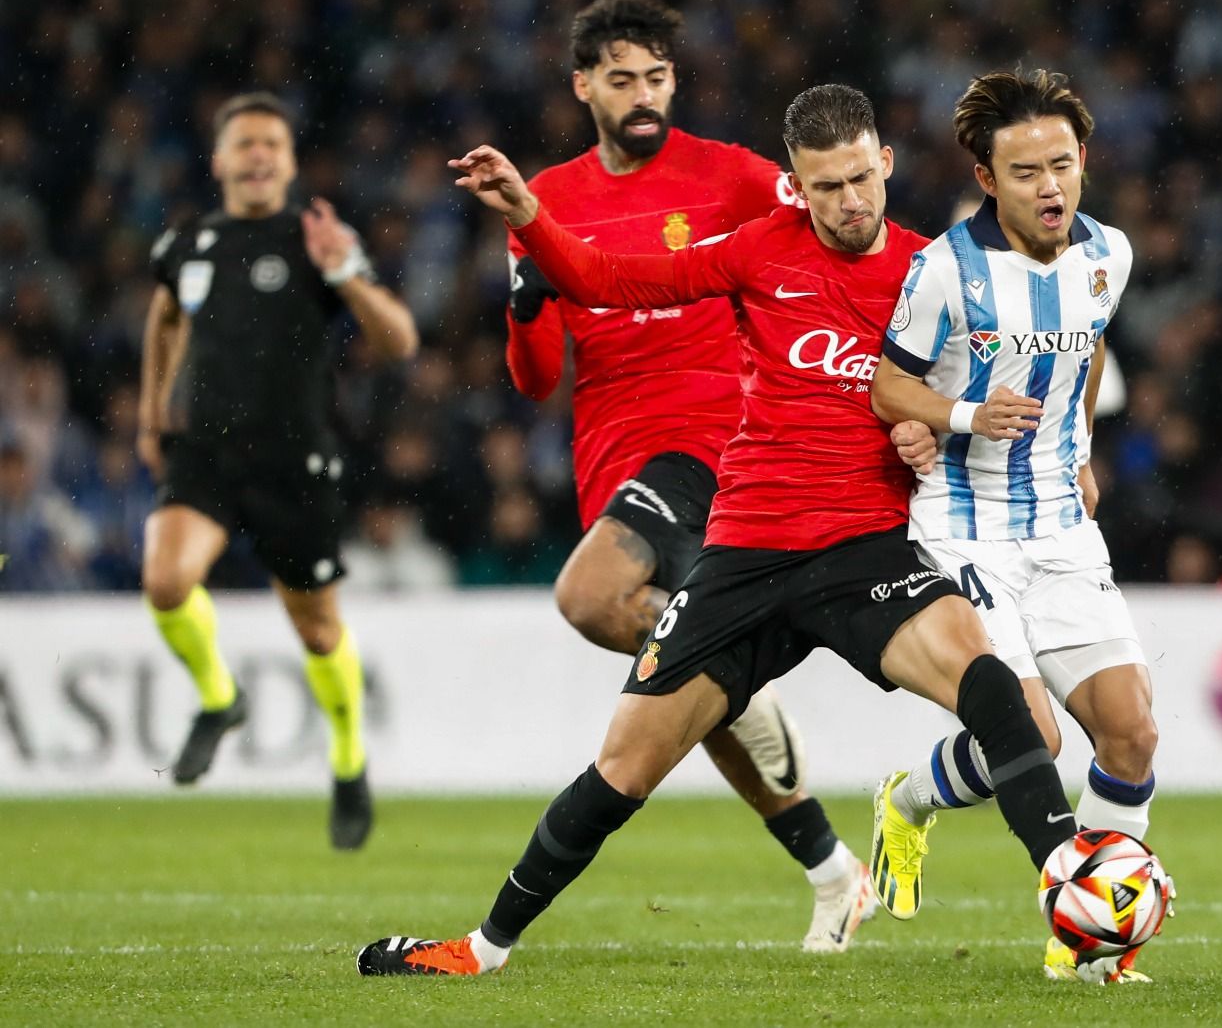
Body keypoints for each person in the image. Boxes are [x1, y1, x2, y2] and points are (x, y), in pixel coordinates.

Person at [356, 84, 1080, 976]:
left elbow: (972, 405)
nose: (848, 204)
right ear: (795, 187)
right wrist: (532, 215)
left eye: (860, 179)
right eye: (825, 188)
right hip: (742, 553)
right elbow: (607, 280)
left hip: (864, 551)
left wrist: (930, 428)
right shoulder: (757, 250)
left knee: (990, 685)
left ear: (886, 164)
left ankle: (1072, 893)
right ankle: (481, 948)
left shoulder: (937, 275)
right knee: (623, 767)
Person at [499, 0, 874, 952]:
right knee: (691, 682)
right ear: (583, 85)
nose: (642, 95)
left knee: (591, 598)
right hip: (613, 458)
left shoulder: (737, 178)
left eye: (657, 77)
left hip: (715, 438)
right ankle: (831, 867)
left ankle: (738, 668)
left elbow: (838, 234)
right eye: (621, 79)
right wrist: (526, 298)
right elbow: (537, 378)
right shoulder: (548, 201)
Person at [869, 70, 1166, 983]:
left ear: (1085, 163)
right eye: (1026, 170)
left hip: (1063, 529)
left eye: (1063, 165)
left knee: (1131, 732)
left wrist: (1075, 441)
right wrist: (960, 417)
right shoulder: (944, 269)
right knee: (1031, 736)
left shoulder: (1108, 252)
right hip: (966, 530)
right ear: (987, 178)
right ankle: (908, 800)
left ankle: (1088, 946)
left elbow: (1093, 337)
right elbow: (888, 385)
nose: (1050, 186)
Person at [139, 92, 418, 849]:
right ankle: (218, 697)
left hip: (295, 461)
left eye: (272, 143)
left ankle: (350, 758)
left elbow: (398, 341)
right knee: (165, 582)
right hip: (206, 454)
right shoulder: (187, 243)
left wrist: (349, 276)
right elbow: (164, 317)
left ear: (290, 163)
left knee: (318, 629)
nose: (259, 155)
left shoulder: (316, 240)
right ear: (219, 160)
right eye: (246, 143)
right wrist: (151, 411)